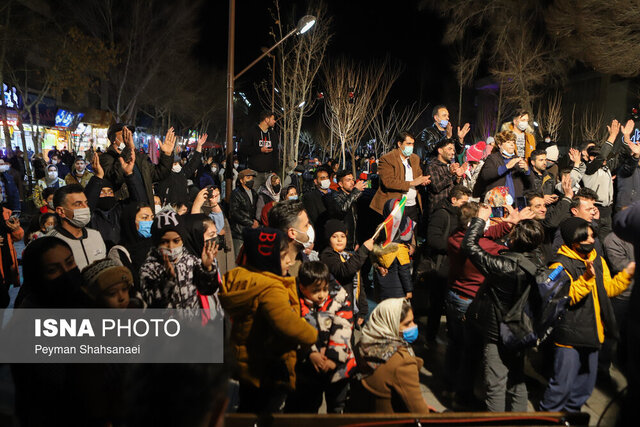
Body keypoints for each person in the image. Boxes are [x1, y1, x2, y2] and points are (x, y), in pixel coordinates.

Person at [539, 217, 634, 412]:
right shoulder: (558, 266)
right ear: (572, 240)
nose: (591, 241)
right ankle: (548, 419)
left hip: (593, 332)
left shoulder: (597, 259)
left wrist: (626, 275)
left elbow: (607, 289)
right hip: (569, 336)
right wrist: (586, 278)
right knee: (561, 388)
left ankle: (572, 418)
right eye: (586, 237)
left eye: (592, 236)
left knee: (584, 387)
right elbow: (566, 297)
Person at [219, 227, 318, 413]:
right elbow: (286, 323)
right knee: (264, 412)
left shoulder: (242, 276)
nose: (289, 260)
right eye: (282, 256)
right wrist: (312, 334)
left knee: (247, 408)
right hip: (266, 368)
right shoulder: (271, 288)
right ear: (268, 258)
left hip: (243, 363)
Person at [462, 205, 545, 412]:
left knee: (496, 383)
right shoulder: (538, 261)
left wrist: (480, 220)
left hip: (498, 331)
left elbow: (470, 247)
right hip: (521, 329)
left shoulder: (504, 266)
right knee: (517, 379)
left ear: (515, 239)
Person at [446, 201, 521, 408]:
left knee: (455, 344)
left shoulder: (455, 236)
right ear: (475, 224)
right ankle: (463, 395)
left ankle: (450, 385)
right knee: (471, 353)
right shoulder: (484, 247)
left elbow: (485, 234)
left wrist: (507, 225)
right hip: (470, 302)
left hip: (453, 296)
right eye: (484, 221)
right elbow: (489, 242)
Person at [287, 261, 355, 413]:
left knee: (338, 406)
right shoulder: (293, 300)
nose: (322, 294)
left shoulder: (339, 297)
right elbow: (294, 329)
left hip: (339, 366)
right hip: (307, 366)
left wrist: (333, 358)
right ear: (302, 288)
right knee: (307, 407)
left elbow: (343, 326)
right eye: (316, 290)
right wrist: (310, 352)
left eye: (325, 289)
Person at [349, 298, 431, 413]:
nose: (414, 326)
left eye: (413, 321)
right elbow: (419, 411)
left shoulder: (362, 345)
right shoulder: (402, 363)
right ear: (390, 324)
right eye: (407, 323)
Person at [139, 211, 220, 308]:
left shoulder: (190, 261)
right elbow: (153, 303)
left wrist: (207, 268)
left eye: (176, 241)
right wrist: (167, 280)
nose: (171, 246)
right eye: (164, 242)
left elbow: (207, 289)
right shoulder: (149, 268)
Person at [424, 185, 471, 341]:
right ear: (453, 200)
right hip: (441, 266)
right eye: (464, 202)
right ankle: (430, 337)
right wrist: (455, 246)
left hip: (453, 265)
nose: (467, 205)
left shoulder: (459, 215)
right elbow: (433, 239)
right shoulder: (442, 214)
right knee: (436, 305)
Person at [100, 123, 173, 206]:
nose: (129, 137)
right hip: (126, 209)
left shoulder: (139, 157)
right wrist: (127, 150)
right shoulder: (107, 158)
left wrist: (167, 155)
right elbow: (116, 178)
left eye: (130, 134)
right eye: (124, 133)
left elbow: (159, 173)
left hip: (145, 209)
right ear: (114, 139)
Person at [85, 151, 146, 249]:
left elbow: (140, 202)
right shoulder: (91, 215)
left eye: (110, 192)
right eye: (102, 192)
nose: (107, 195)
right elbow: (87, 204)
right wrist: (98, 177)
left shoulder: (120, 209)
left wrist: (130, 175)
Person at [320, 219, 373, 326]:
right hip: (336, 310)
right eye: (335, 236)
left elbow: (359, 285)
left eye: (343, 236)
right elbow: (344, 271)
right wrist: (363, 250)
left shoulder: (349, 256)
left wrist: (362, 311)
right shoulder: (327, 256)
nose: (339, 240)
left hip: (351, 310)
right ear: (328, 239)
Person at [370, 131, 431, 223]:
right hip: (395, 206)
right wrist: (412, 183)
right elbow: (388, 182)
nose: (411, 147)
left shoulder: (415, 158)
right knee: (395, 236)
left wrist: (423, 181)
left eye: (413, 144)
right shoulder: (387, 159)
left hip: (412, 206)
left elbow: (418, 175)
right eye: (408, 144)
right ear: (399, 144)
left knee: (411, 234)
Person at [48, 184, 107, 270]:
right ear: (61, 211)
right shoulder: (51, 242)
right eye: (78, 204)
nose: (86, 208)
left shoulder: (95, 235)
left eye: (86, 203)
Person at [371, 199, 415, 300]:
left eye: (400, 208)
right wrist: (409, 290)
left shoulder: (408, 223)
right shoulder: (383, 229)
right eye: (395, 209)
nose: (398, 212)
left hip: (388, 285)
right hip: (395, 283)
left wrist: (412, 247)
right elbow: (374, 254)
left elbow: (413, 241)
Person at [473, 130, 533, 202]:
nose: (512, 145)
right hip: (497, 203)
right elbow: (486, 175)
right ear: (500, 145)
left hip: (516, 204)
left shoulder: (518, 160)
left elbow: (530, 183)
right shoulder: (493, 158)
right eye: (508, 142)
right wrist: (506, 167)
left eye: (513, 142)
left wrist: (527, 170)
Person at [267, 199, 315, 277]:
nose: (310, 228)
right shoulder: (272, 275)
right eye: (306, 225)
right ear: (292, 233)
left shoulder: (304, 259)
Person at [156, 134, 206, 206]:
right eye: (173, 163)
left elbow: (194, 163)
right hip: (168, 208)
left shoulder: (183, 173)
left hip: (182, 207)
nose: (175, 165)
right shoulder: (164, 174)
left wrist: (199, 146)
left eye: (176, 163)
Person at [239, 110, 279, 190]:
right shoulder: (252, 132)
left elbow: (275, 153)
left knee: (269, 198)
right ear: (266, 119)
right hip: (255, 173)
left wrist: (275, 171)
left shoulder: (273, 134)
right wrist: (259, 150)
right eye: (273, 119)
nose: (275, 121)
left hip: (269, 174)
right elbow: (243, 149)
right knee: (253, 197)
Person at [424, 138, 465, 215]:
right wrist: (450, 173)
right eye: (449, 149)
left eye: (453, 150)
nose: (453, 152)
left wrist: (459, 177)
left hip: (451, 210)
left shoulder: (451, 166)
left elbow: (458, 189)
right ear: (440, 151)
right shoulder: (432, 166)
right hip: (437, 211)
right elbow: (436, 187)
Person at [327, 170, 365, 252]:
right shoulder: (336, 197)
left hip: (354, 244)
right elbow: (343, 209)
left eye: (352, 179)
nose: (352, 182)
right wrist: (355, 192)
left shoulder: (354, 196)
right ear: (340, 184)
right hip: (343, 245)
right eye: (348, 180)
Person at [229, 168, 259, 257]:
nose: (251, 180)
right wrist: (250, 223)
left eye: (252, 178)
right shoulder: (236, 194)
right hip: (239, 232)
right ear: (242, 180)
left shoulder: (254, 193)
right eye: (248, 178)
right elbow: (234, 212)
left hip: (251, 231)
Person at [302, 166, 332, 251]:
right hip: (320, 239)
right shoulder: (309, 197)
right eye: (322, 178)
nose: (325, 180)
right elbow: (312, 218)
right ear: (316, 181)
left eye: (327, 177)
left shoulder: (335, 194)